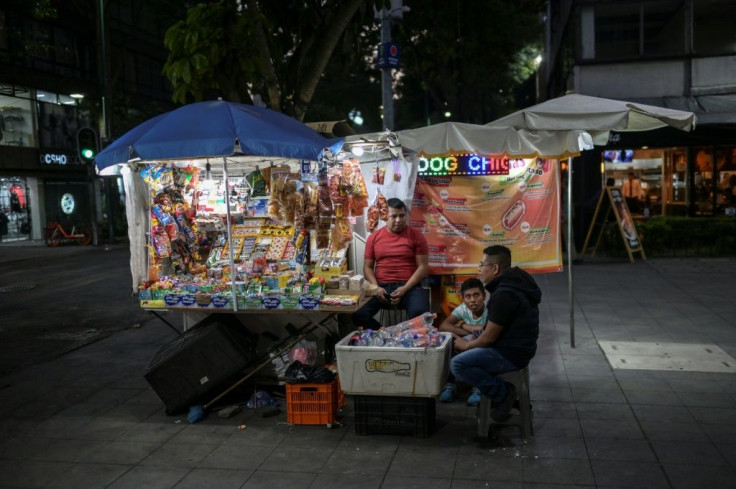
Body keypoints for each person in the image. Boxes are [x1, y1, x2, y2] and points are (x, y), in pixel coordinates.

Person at [450, 245, 542, 422]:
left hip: (510, 353)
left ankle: (503, 394)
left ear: (495, 268)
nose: (479, 269)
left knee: (458, 364)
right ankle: (500, 396)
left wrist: (466, 345)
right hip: (519, 347)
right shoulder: (517, 282)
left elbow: (488, 338)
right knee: (466, 340)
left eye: (482, 264)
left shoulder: (504, 294)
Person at [351, 198, 429, 331]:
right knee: (357, 313)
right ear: (386, 216)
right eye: (394, 216)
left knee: (421, 314)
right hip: (381, 289)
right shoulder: (373, 238)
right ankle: (385, 333)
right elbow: (367, 267)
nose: (398, 220)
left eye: (402, 216)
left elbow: (423, 267)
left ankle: (408, 340)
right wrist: (375, 288)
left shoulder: (417, 236)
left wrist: (404, 289)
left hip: (409, 287)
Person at [439, 278, 487, 405]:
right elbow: (444, 326)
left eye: (476, 295)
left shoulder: (491, 310)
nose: (472, 300)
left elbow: (487, 330)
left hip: (483, 345)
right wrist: (466, 336)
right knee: (449, 340)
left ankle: (478, 388)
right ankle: (450, 385)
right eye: (468, 296)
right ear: (463, 298)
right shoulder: (463, 309)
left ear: (484, 295)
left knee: (483, 347)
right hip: (467, 341)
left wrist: (465, 326)